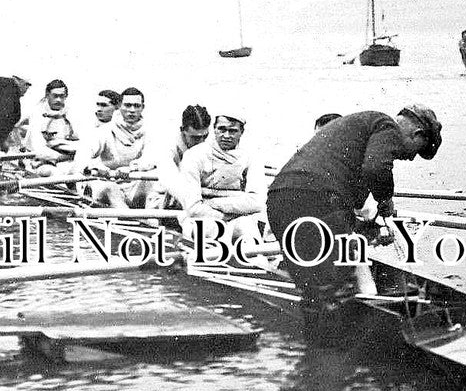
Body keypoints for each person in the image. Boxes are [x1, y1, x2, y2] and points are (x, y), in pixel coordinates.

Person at [266, 106, 442, 343]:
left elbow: (337, 201)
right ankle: (336, 360)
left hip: (280, 199)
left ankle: (317, 362)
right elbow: (376, 168)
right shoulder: (386, 125)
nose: (408, 158)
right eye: (415, 153)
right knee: (337, 291)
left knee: (314, 291)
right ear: (417, 134)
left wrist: (363, 228)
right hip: (315, 201)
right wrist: (385, 199)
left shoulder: (358, 129)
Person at [176, 111, 266, 245]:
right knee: (213, 231)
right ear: (214, 129)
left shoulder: (250, 158)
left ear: (242, 132)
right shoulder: (194, 156)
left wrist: (215, 203)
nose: (226, 136)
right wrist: (228, 217)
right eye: (222, 129)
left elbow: (257, 202)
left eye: (233, 131)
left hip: (239, 218)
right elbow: (193, 208)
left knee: (247, 231)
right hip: (202, 220)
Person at [75, 86, 155, 207]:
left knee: (153, 183)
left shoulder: (149, 132)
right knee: (111, 188)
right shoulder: (105, 130)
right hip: (107, 181)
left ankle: (149, 217)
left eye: (136, 106)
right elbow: (83, 154)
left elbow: (151, 158)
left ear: (143, 108)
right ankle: (129, 218)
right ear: (120, 106)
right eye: (127, 105)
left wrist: (132, 168)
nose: (132, 110)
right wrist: (96, 167)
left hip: (132, 183)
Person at [27, 79, 80, 176]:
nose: (58, 100)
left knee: (82, 171)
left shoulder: (70, 113)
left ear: (66, 96)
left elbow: (80, 139)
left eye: (62, 96)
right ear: (47, 95)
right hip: (42, 162)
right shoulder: (37, 115)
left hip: (68, 159)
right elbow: (39, 149)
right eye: (55, 96)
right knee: (56, 174)